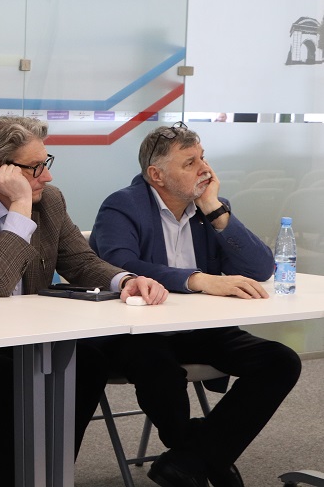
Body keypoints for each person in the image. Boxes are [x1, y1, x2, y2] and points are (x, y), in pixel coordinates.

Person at [0, 115, 166, 487]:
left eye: (45, 163)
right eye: (34, 168)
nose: (46, 177)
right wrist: (20, 206)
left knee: (88, 363)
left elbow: (80, 261)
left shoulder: (50, 200)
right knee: (9, 378)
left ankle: (49, 473)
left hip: (24, 335)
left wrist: (125, 280)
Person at [90, 121, 302, 487]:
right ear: (157, 175)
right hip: (137, 335)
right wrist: (198, 279)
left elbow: (261, 268)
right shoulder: (123, 205)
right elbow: (119, 263)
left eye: (203, 158)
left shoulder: (210, 209)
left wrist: (215, 208)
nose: (204, 168)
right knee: (160, 369)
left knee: (280, 361)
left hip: (198, 329)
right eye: (190, 163)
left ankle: (190, 460)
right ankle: (205, 456)